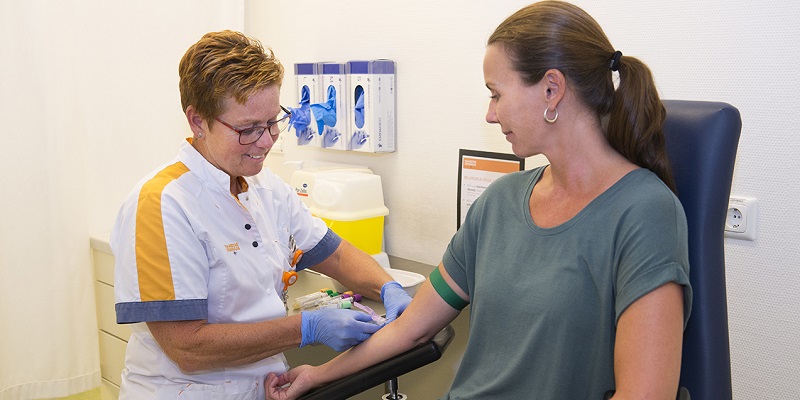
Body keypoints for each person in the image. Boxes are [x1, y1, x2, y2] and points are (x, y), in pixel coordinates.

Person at [265, 2, 693, 399]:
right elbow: (410, 329)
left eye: (496, 93)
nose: (490, 113)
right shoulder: (500, 202)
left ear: (551, 90)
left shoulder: (644, 213)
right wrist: (317, 374)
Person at [111, 30, 412, 399]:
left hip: (263, 386)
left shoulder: (267, 187)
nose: (268, 141)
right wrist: (307, 328)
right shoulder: (162, 204)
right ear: (197, 121)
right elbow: (186, 347)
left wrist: (388, 287)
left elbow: (333, 253)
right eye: (248, 128)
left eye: (272, 121)